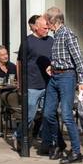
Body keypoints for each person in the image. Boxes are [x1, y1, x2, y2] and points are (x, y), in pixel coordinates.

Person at [40, 6, 83, 164]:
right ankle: (59, 144)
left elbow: (79, 59)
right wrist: (51, 66)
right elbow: (61, 57)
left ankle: (76, 152)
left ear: (53, 21)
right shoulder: (56, 36)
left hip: (67, 77)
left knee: (66, 114)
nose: (46, 25)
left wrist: (82, 82)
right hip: (55, 76)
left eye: (47, 22)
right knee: (48, 114)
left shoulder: (68, 35)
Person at [17, 14, 53, 151]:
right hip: (32, 85)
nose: (47, 30)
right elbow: (19, 62)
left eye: (48, 28)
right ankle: (19, 135)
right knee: (29, 115)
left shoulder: (51, 40)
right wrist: (20, 83)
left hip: (49, 84)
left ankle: (45, 142)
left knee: (47, 114)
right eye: (44, 28)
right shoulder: (27, 41)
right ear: (36, 27)